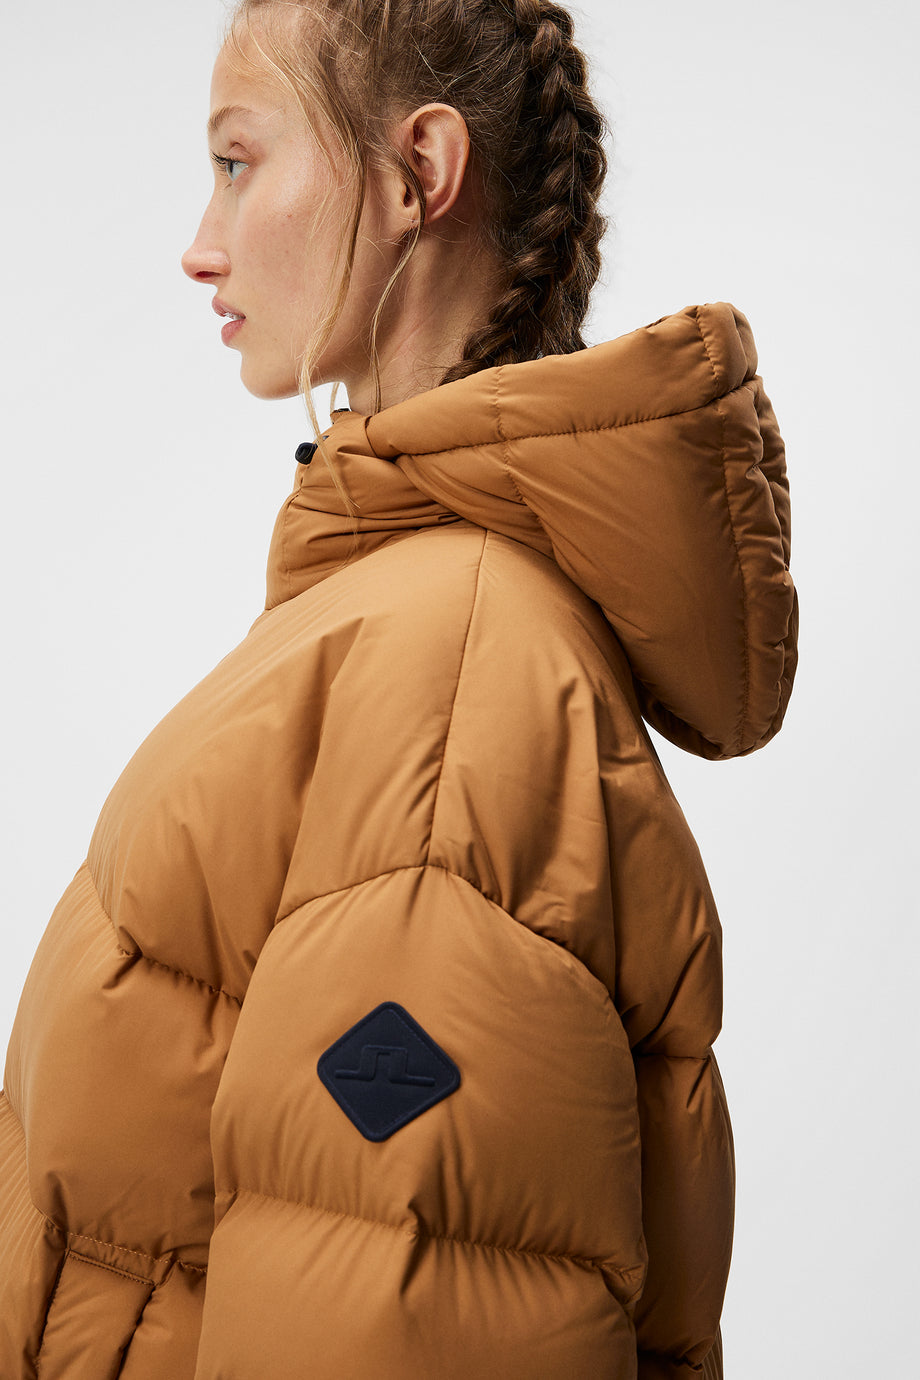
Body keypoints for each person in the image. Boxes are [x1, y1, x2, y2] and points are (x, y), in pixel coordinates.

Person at [0, 1, 797, 1376]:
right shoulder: (415, 607)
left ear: (417, 173)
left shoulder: (453, 669)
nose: (201, 243)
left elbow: (392, 1308)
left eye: (238, 161)